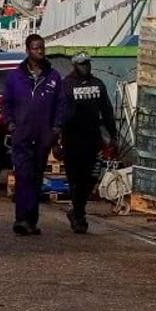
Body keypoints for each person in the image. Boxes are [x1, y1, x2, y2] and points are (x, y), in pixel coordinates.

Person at [0, 34, 65, 236]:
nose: (40, 51)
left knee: (36, 178)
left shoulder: (53, 77)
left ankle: (31, 220)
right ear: (28, 50)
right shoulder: (15, 77)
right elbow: (6, 103)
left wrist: (56, 128)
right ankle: (21, 219)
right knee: (23, 175)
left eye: (42, 48)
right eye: (36, 48)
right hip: (22, 134)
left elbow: (60, 105)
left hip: (43, 136)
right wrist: (11, 124)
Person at [57, 52, 118, 233]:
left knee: (91, 178)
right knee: (75, 179)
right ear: (75, 66)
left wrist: (113, 136)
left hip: (93, 140)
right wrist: (56, 140)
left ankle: (77, 210)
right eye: (83, 64)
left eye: (88, 64)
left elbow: (107, 110)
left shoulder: (98, 84)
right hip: (72, 140)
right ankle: (78, 215)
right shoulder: (66, 85)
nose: (87, 67)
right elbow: (58, 114)